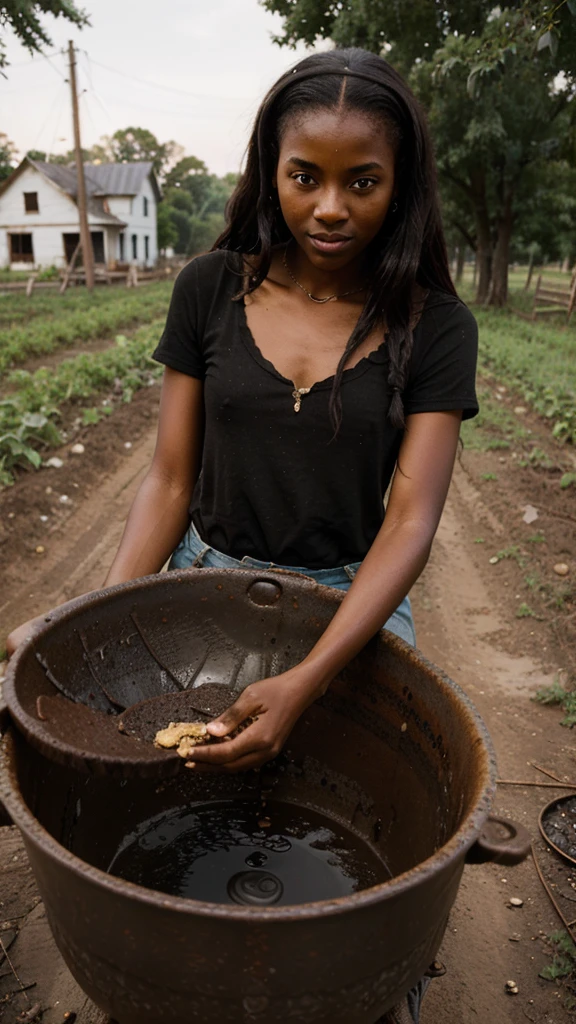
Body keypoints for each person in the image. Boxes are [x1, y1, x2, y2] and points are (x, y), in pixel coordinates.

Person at [7, 47, 478, 1024]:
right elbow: (170, 478)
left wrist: (303, 684)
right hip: (199, 590)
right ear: (271, 168)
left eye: (364, 180)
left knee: (363, 837)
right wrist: (80, 626)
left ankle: (367, 984)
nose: (332, 207)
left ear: (402, 185)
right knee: (167, 807)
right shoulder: (208, 289)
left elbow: (414, 517)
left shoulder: (435, 327)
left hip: (349, 606)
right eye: (306, 176)